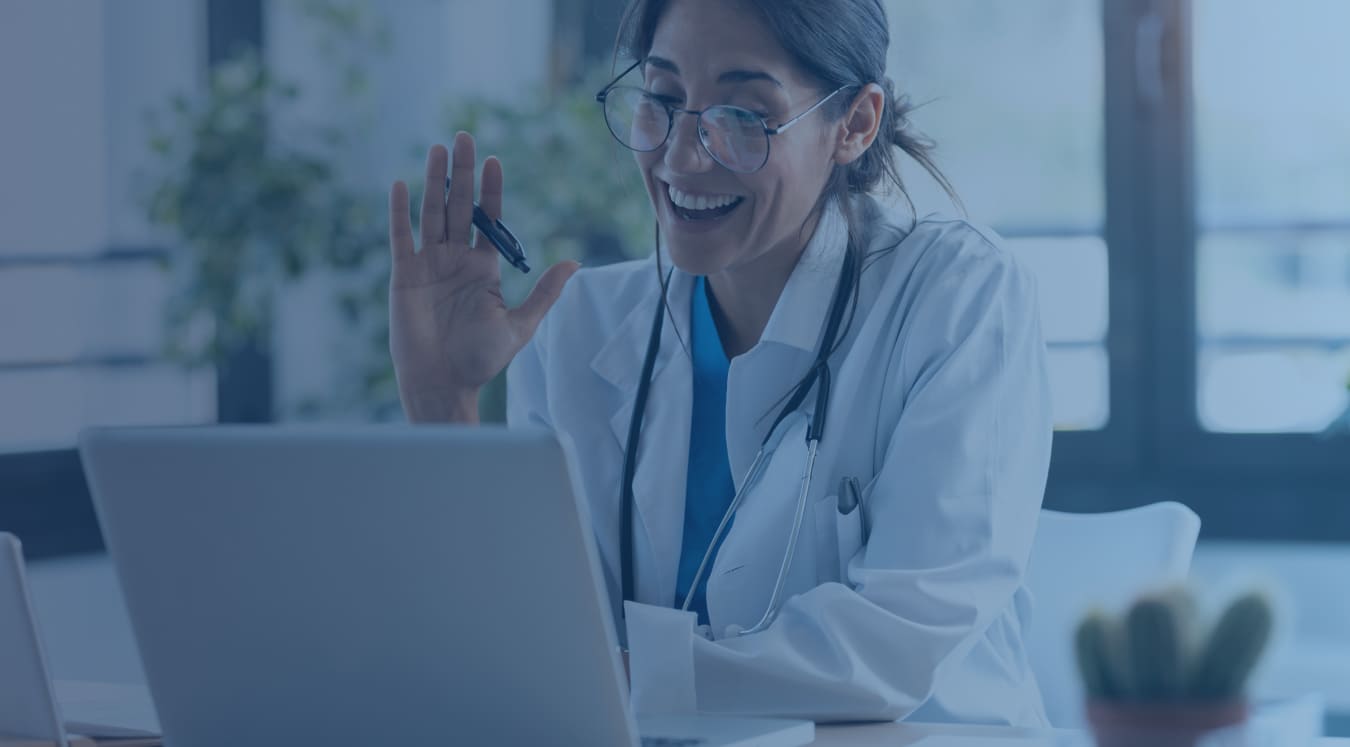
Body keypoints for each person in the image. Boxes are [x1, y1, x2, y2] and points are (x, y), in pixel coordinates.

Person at [387, 0, 1053, 726]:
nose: (682, 157)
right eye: (663, 99)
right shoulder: (577, 328)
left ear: (855, 124)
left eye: (744, 114)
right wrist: (443, 406)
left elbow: (893, 649)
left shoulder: (957, 296)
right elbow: (521, 640)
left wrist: (616, 676)